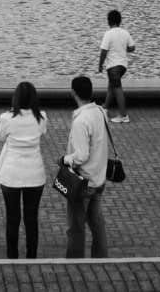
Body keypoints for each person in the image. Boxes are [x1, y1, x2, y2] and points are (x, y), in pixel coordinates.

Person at [0, 81, 47, 259]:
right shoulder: (41, 117)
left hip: (11, 173)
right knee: (31, 219)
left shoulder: (7, 118)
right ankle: (32, 255)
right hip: (35, 173)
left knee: (12, 217)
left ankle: (12, 256)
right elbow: (43, 132)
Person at [62, 75, 108, 258]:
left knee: (75, 227)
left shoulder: (81, 121)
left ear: (73, 93)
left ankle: (74, 262)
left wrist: (66, 159)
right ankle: (101, 258)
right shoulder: (100, 112)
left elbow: (81, 156)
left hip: (84, 182)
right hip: (99, 177)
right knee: (97, 223)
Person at [98, 9, 136, 123]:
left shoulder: (108, 34)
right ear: (120, 21)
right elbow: (132, 47)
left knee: (117, 89)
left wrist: (100, 65)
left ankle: (124, 115)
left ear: (109, 21)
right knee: (112, 86)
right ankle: (105, 107)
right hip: (123, 65)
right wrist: (124, 48)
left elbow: (104, 51)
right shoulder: (125, 32)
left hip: (113, 66)